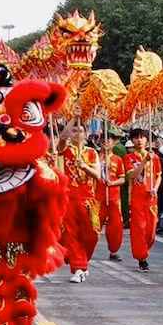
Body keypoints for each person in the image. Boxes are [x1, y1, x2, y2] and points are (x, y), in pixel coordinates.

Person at [57, 110, 101, 283]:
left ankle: (83, 262)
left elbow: (97, 175)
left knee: (91, 235)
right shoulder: (65, 149)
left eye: (80, 131)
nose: (76, 133)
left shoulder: (92, 152)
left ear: (86, 134)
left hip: (88, 200)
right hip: (68, 198)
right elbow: (62, 138)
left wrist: (84, 167)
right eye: (74, 131)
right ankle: (78, 268)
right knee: (71, 234)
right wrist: (74, 118)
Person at [125, 128, 162, 272]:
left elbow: (159, 175)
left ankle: (144, 250)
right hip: (137, 199)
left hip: (151, 199)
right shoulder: (129, 158)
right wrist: (144, 161)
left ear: (147, 140)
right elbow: (133, 175)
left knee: (150, 232)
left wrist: (155, 188)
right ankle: (141, 257)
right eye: (136, 138)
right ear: (132, 141)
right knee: (139, 229)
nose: (139, 140)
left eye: (142, 137)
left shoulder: (155, 157)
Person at [96, 131, 125, 261]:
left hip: (113, 197)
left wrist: (112, 183)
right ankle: (86, 249)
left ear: (113, 143)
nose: (106, 143)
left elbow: (122, 179)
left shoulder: (117, 159)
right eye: (103, 141)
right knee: (94, 225)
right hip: (97, 197)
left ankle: (114, 251)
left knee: (115, 226)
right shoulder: (94, 156)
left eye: (108, 141)